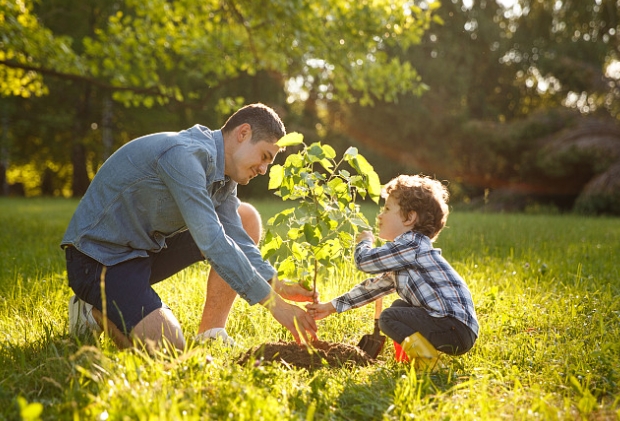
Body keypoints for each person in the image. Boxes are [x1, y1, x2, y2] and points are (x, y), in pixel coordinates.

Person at [61, 103, 318, 352]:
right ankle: (91, 312)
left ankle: (211, 333)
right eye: (264, 157)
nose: (263, 169)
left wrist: (276, 284)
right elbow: (213, 241)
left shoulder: (225, 176)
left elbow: (236, 235)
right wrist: (275, 305)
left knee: (245, 217)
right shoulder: (185, 156)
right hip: (98, 260)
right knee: (169, 349)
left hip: (143, 250)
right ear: (243, 133)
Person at [307, 175, 478, 370]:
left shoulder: (411, 244)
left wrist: (365, 242)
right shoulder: (407, 254)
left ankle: (430, 365)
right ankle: (410, 361)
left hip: (452, 326)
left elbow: (365, 262)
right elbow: (373, 288)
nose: (380, 216)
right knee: (399, 306)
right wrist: (330, 307)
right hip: (457, 328)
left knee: (389, 318)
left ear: (409, 218)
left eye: (387, 209)